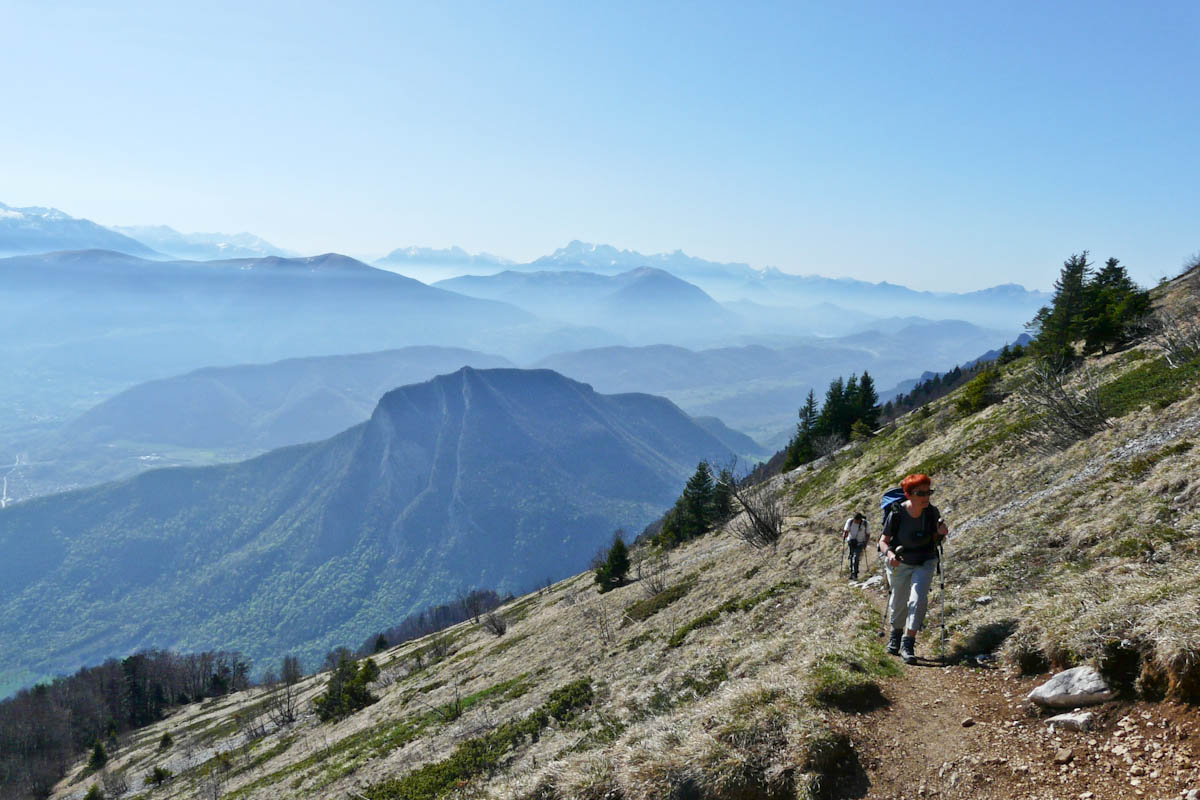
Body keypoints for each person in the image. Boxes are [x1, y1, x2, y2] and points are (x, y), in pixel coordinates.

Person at [878, 473, 948, 664]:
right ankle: (895, 635)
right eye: (920, 493)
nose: (926, 497)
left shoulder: (932, 512)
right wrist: (890, 555)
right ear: (908, 494)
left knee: (918, 600)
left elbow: (936, 538)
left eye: (928, 492)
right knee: (898, 601)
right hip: (900, 562)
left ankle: (908, 643)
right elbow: (883, 541)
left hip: (925, 561)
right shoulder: (897, 513)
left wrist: (941, 533)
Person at [842, 512, 868, 580]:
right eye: (855, 520)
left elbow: (868, 534)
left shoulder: (865, 523)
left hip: (860, 543)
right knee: (851, 556)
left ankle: (855, 574)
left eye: (857, 521)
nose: (855, 522)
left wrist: (865, 543)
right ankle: (852, 573)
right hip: (851, 541)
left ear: (860, 520)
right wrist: (845, 535)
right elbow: (846, 531)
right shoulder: (850, 521)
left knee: (856, 557)